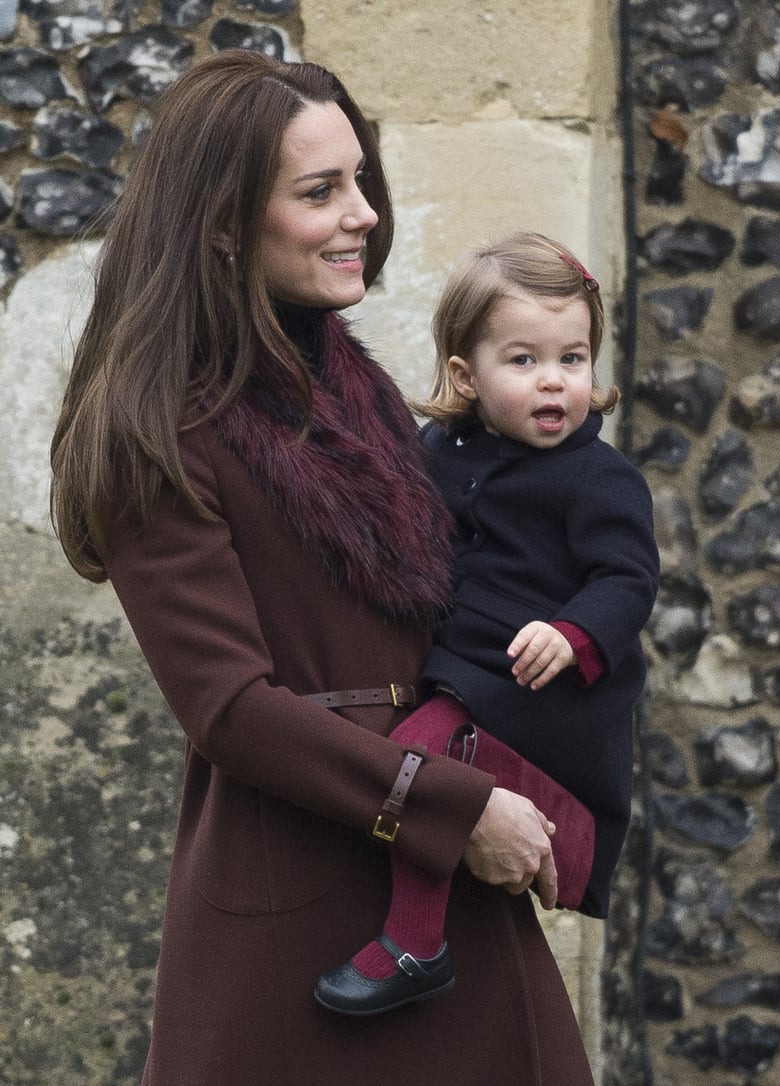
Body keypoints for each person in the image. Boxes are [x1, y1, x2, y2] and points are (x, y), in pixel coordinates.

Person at [49, 52, 597, 1086]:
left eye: (361, 181)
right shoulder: (152, 429)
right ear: (221, 223)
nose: (363, 216)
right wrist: (451, 806)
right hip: (296, 908)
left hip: (442, 879)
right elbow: (228, 708)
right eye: (319, 192)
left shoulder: (356, 388)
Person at [315, 232, 660, 1016]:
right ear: (467, 376)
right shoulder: (439, 449)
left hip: (536, 684)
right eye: (525, 361)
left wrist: (573, 634)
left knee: (418, 763)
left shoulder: (600, 477)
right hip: (460, 662)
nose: (554, 382)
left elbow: (629, 577)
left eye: (573, 360)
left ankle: (415, 945)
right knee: (397, 753)